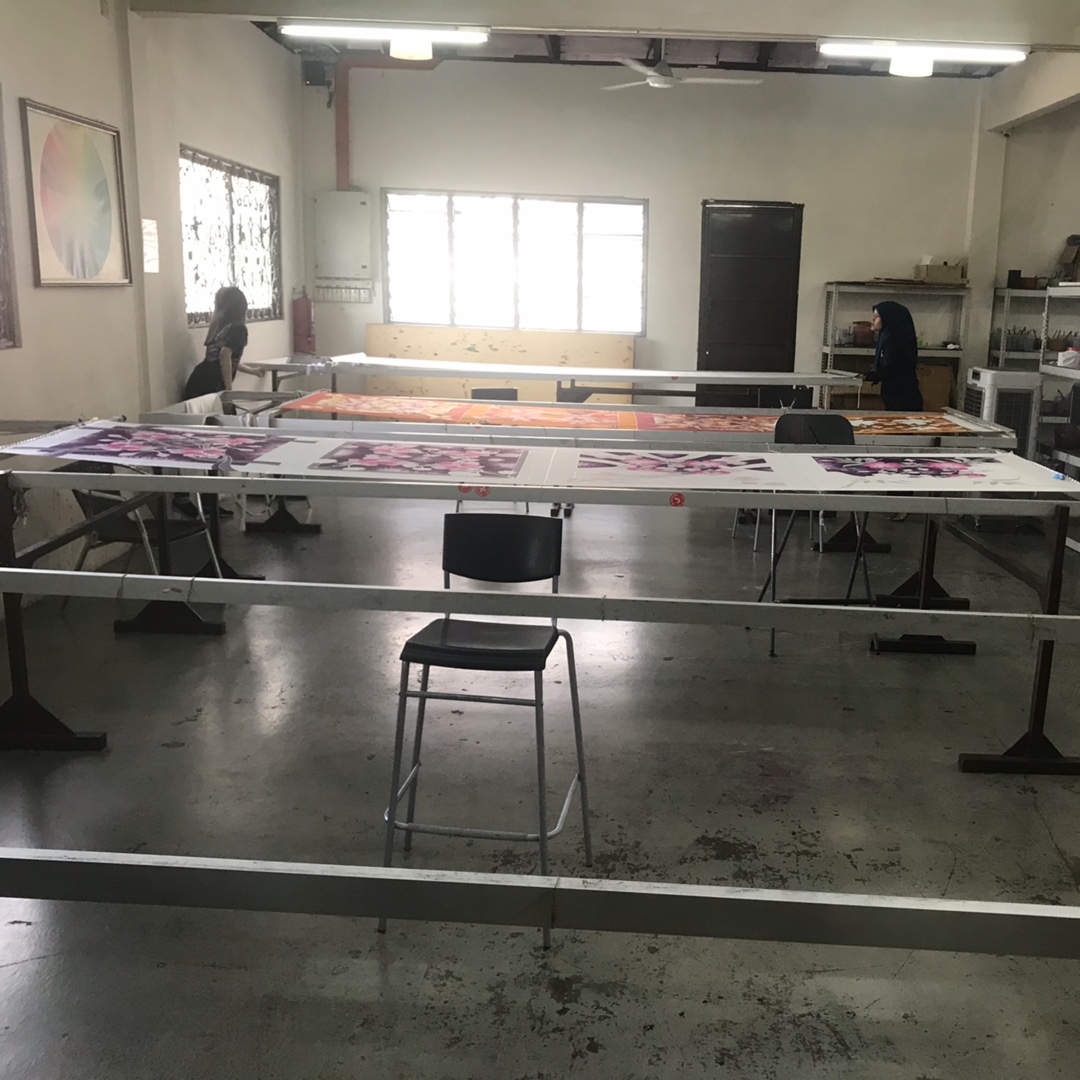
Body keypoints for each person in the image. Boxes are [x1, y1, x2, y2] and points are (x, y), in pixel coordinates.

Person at [182, 286, 256, 399]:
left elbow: (227, 359)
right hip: (213, 383)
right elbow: (224, 356)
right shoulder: (238, 328)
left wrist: (252, 371)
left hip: (199, 379)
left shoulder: (220, 326)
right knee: (224, 410)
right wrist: (229, 390)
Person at [867, 301, 923, 412]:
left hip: (903, 400)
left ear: (888, 318)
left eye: (877, 316)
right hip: (894, 398)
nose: (873, 320)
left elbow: (892, 368)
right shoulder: (886, 336)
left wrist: (870, 376)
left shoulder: (895, 339)